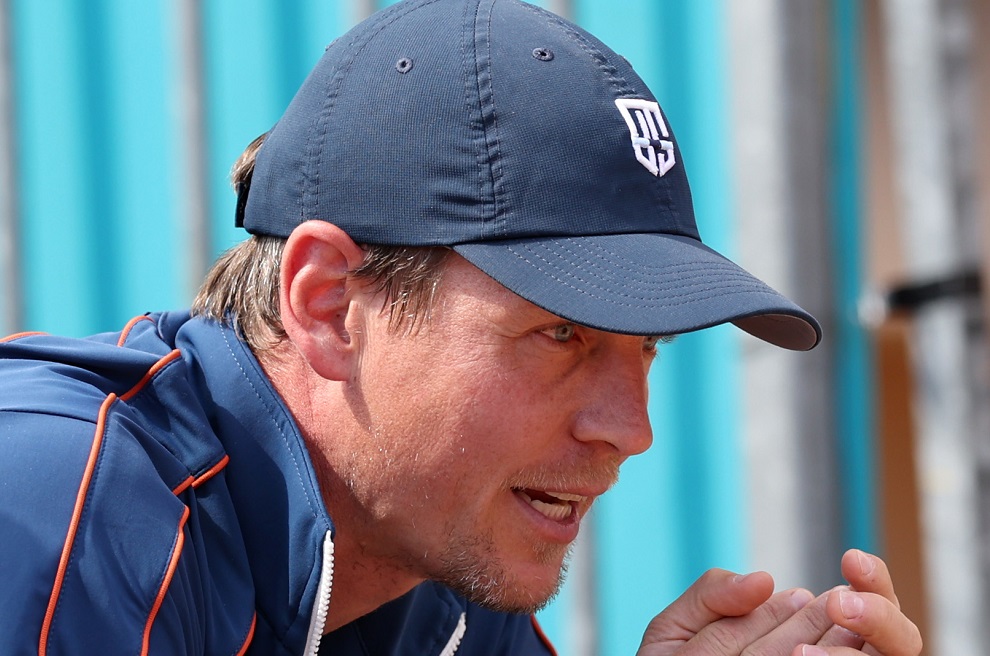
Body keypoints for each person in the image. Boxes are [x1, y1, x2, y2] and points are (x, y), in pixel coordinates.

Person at [0, 0, 921, 654]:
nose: (631, 430)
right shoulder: (56, 512)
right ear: (329, 304)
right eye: (562, 334)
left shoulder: (442, 574)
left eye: (647, 347)